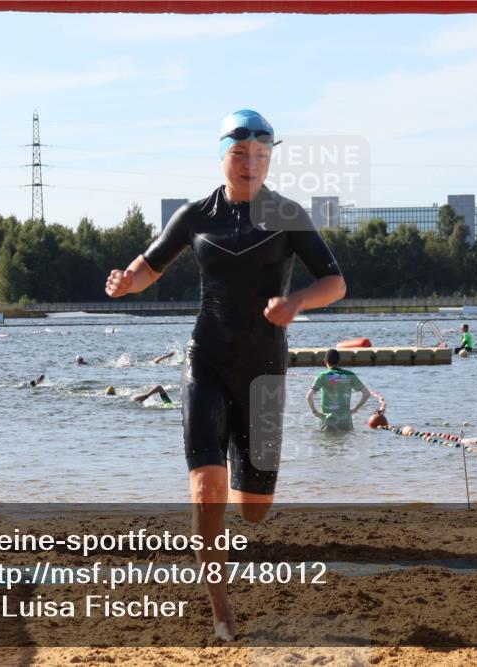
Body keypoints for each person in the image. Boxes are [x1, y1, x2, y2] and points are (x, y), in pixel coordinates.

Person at [103, 109, 346, 641]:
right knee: (205, 488)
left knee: (253, 511)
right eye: (239, 154)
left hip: (264, 371)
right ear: (222, 156)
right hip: (206, 360)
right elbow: (149, 266)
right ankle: (221, 612)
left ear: (270, 159)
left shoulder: (288, 215)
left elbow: (335, 282)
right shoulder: (195, 216)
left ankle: (241, 467)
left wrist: (297, 302)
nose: (250, 164)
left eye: (260, 155)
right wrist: (126, 282)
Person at [306, 349, 370, 431]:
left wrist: (315, 412)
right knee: (346, 439)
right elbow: (367, 394)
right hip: (346, 421)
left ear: (325, 361)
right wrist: (355, 409)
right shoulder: (350, 375)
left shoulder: (322, 376)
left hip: (328, 421)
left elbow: (309, 396)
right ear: (339, 361)